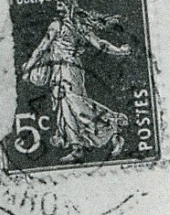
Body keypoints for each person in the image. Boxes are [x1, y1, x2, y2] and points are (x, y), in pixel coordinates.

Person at [21, 3, 130, 163]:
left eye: (61, 4)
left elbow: (41, 49)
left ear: (69, 6)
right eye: (57, 4)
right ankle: (77, 147)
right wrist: (119, 50)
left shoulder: (58, 26)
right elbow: (100, 44)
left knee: (77, 105)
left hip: (67, 70)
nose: (58, 7)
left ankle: (111, 124)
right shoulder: (79, 26)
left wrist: (27, 68)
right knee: (65, 108)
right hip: (66, 70)